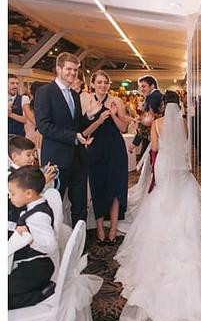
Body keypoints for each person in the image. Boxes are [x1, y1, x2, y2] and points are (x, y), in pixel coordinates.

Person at [114, 91, 201, 321]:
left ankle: (161, 238)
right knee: (183, 204)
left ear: (164, 105)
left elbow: (154, 148)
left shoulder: (157, 123)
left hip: (164, 165)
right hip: (179, 166)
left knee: (161, 200)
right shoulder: (184, 123)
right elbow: (186, 146)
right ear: (180, 105)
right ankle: (182, 237)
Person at [33, 53, 89, 226]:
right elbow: (44, 126)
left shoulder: (74, 94)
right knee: (53, 206)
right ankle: (53, 240)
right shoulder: (44, 92)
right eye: (69, 69)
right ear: (58, 69)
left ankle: (80, 239)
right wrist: (73, 137)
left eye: (75, 70)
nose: (73, 73)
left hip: (78, 159)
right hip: (56, 160)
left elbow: (76, 125)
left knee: (80, 206)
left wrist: (91, 117)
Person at [80, 70, 131, 245]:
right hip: (96, 148)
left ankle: (114, 229)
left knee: (116, 187)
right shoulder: (86, 101)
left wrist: (114, 115)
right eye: (99, 82)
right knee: (98, 187)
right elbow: (84, 132)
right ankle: (100, 228)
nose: (103, 86)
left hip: (115, 148)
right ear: (93, 84)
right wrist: (100, 120)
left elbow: (123, 128)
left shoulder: (116, 101)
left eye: (106, 82)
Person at [8, 166, 58, 309]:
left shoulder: (39, 215)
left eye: (13, 194)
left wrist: (30, 239)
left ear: (28, 193)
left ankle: (42, 294)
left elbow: (51, 246)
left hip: (37, 268)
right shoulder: (32, 205)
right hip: (32, 264)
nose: (10, 197)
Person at [129, 75, 162, 159]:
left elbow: (147, 122)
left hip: (152, 136)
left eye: (144, 86)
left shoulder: (152, 97)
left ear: (152, 86)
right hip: (160, 133)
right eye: (140, 87)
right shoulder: (159, 95)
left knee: (148, 160)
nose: (141, 89)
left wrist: (135, 143)